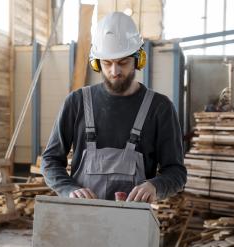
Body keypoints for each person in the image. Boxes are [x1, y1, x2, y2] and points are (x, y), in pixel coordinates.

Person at [41, 12, 187, 203]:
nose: (114, 71)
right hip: (82, 217)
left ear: (139, 59)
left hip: (133, 223)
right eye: (107, 63)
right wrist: (69, 189)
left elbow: (176, 172)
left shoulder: (160, 108)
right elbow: (50, 160)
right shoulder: (76, 103)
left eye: (123, 62)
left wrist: (156, 186)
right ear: (96, 63)